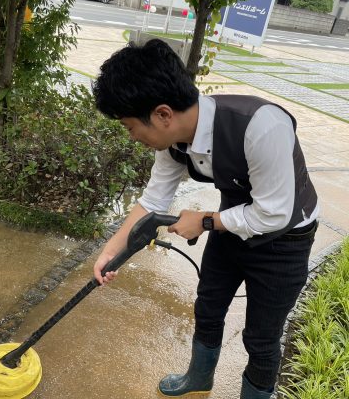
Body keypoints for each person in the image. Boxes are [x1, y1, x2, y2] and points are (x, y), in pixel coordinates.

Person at [91, 39, 319, 399]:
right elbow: (153, 200)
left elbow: (273, 213)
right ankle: (199, 378)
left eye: (130, 127)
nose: (133, 137)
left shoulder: (261, 126)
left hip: (285, 240)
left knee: (261, 338)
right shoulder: (173, 143)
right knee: (208, 307)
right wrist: (110, 252)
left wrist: (206, 221)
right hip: (231, 227)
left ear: (163, 114)